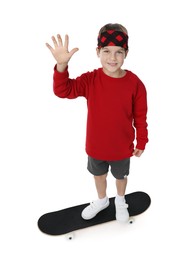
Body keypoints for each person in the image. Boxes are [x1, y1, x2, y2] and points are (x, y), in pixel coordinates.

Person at [46, 23, 148, 222]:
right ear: (97, 52)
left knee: (120, 177)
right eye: (106, 51)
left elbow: (141, 116)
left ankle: (120, 200)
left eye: (119, 52)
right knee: (98, 176)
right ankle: (102, 201)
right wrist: (61, 66)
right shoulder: (91, 79)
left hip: (121, 148)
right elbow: (63, 90)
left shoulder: (135, 83)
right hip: (96, 147)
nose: (112, 58)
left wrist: (142, 141)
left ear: (126, 53)